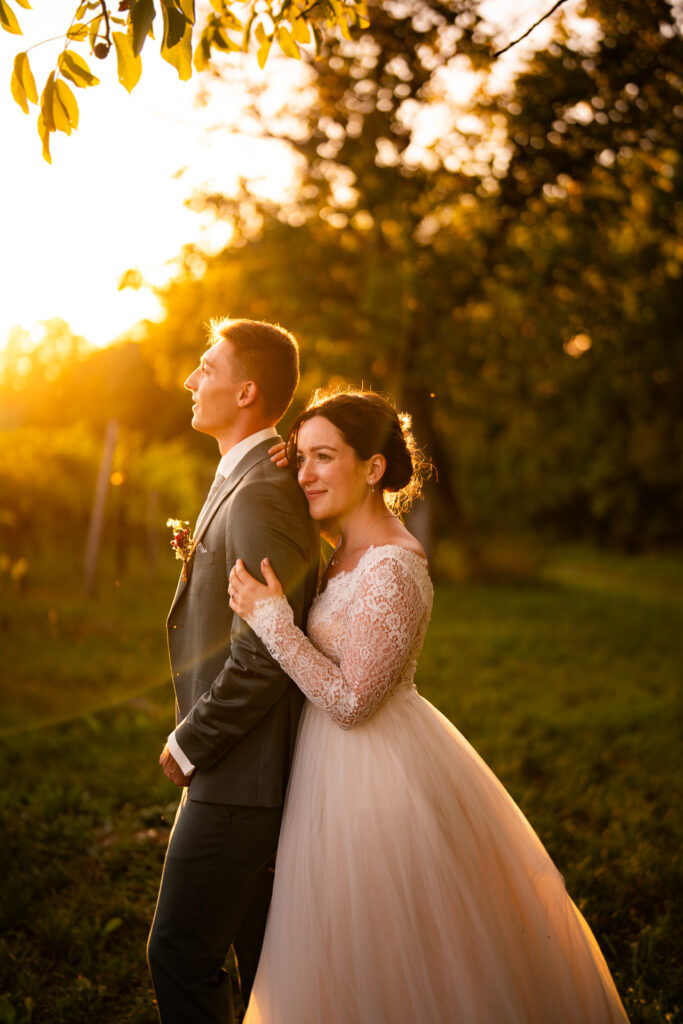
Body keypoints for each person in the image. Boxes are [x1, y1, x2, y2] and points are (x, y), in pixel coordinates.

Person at [228, 386, 630, 1024]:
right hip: (324, 772)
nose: (306, 473)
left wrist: (274, 621)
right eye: (301, 457)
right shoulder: (340, 554)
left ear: (374, 467)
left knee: (387, 949)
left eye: (324, 457)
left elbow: (354, 700)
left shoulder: (394, 564)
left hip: (376, 777)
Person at [147, 318, 320, 1024]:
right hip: (238, 771)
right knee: (259, 964)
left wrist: (191, 739)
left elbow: (264, 655)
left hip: (239, 774)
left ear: (246, 392)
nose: (191, 380)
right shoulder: (245, 478)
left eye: (205, 368)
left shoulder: (258, 495)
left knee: (180, 952)